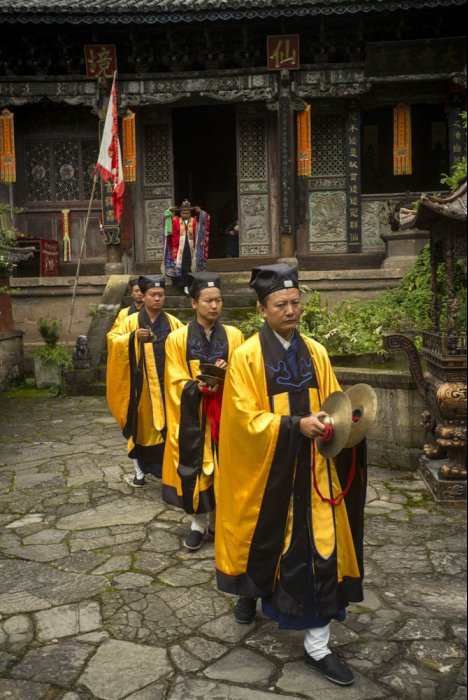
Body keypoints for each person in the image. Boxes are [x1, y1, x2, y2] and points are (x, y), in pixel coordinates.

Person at [215, 264, 367, 688]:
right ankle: (250, 592)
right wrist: (292, 426)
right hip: (269, 473)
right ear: (262, 309)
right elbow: (242, 419)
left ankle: (318, 646)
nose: (290, 310)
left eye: (296, 302)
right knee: (260, 541)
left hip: (315, 472)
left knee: (321, 552)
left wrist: (340, 423)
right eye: (280, 304)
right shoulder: (246, 357)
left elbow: (335, 401)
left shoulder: (316, 352)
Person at [162, 271, 244, 551]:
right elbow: (174, 380)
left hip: (225, 415)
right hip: (194, 418)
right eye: (208, 300)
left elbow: (245, 376)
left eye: (218, 300)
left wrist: (227, 374)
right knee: (197, 472)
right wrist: (198, 387)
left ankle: (222, 521)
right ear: (194, 304)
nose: (214, 306)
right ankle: (198, 523)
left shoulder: (234, 336)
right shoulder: (177, 339)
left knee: (227, 469)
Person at [106, 275, 184, 487]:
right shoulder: (130, 321)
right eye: (153, 295)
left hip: (166, 386)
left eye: (161, 295)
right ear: (144, 296)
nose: (157, 299)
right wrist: (131, 338)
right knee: (141, 429)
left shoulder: (173, 323)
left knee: (169, 429)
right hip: (141, 388)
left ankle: (168, 472)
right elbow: (112, 340)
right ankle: (140, 471)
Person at [162, 199, 210, 292]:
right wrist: (168, 211)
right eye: (183, 213)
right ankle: (179, 286)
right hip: (178, 248)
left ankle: (189, 285)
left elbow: (205, 219)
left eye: (187, 213)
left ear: (190, 213)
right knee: (180, 266)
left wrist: (200, 212)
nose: (185, 215)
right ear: (180, 213)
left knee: (188, 266)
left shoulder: (195, 221)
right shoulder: (175, 221)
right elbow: (165, 221)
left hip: (191, 248)